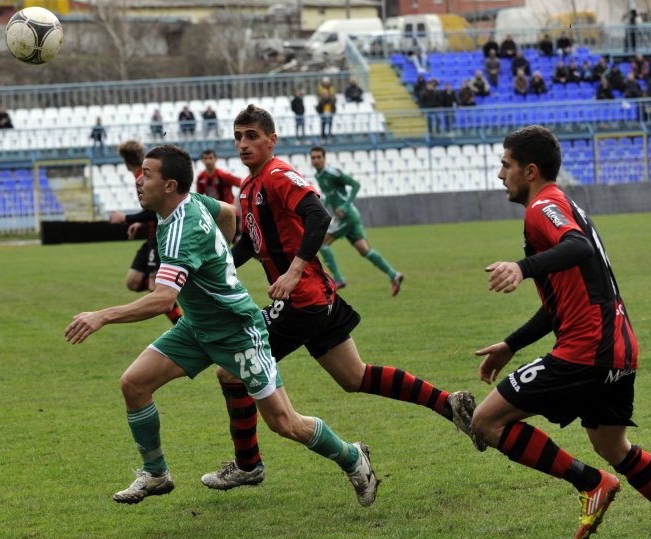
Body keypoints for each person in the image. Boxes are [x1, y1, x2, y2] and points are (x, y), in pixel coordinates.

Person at [66, 143, 379, 508]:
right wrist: (223, 257)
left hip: (237, 332)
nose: (139, 180)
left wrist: (101, 315)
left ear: (169, 185)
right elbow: (229, 212)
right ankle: (155, 474)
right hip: (197, 328)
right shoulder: (193, 201)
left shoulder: (183, 231)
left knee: (285, 423)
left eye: (147, 174)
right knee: (134, 384)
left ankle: (352, 457)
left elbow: (162, 300)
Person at [199, 104, 480, 492]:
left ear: (272, 139)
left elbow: (319, 216)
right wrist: (215, 270)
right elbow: (249, 242)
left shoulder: (278, 175)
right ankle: (449, 403)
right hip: (317, 299)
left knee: (231, 370)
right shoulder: (248, 188)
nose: (243, 144)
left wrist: (293, 271)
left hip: (302, 300)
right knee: (355, 376)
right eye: (238, 136)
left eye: (252, 136)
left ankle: (248, 465)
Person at [468, 124, 651, 539]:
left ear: (530, 171)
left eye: (505, 165)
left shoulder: (543, 207)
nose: (499, 174)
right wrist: (512, 344)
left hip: (587, 351)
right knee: (613, 445)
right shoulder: (561, 204)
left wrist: (521, 267)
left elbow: (579, 246)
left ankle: (591, 484)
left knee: (486, 421)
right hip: (619, 349)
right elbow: (561, 302)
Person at [310, 145, 405, 295]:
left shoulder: (332, 173)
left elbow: (355, 184)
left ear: (324, 158)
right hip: (345, 217)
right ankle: (394, 275)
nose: (315, 160)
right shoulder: (318, 176)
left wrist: (346, 206)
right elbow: (330, 196)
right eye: (313, 157)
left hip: (347, 216)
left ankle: (339, 279)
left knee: (322, 243)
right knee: (365, 250)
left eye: (318, 157)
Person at [108, 140, 183, 325]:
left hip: (159, 238)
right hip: (151, 237)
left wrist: (126, 218)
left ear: (125, 161)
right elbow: (154, 210)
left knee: (154, 287)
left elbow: (154, 209)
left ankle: (183, 326)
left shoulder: (144, 177)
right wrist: (140, 224)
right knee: (133, 282)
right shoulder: (142, 176)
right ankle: (175, 288)